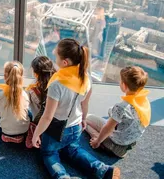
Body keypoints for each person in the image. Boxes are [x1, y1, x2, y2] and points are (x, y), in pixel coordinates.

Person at [32, 39, 120, 179]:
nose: (55, 58)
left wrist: (36, 134)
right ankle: (103, 170)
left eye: (56, 57)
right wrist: (83, 119)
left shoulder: (57, 84)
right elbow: (84, 104)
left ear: (65, 62)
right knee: (73, 150)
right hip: (76, 127)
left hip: (57, 130)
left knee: (48, 154)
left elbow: (48, 116)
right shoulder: (86, 78)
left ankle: (62, 177)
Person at [86, 66, 151, 158]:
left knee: (85, 123)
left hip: (116, 146)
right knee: (95, 120)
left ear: (124, 86)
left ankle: (101, 144)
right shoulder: (143, 100)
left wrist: (97, 141)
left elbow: (108, 128)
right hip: (129, 142)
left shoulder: (121, 107)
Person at [0, 61, 30, 143]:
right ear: (21, 77)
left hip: (7, 132)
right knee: (29, 114)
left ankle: (7, 137)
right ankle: (21, 136)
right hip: (24, 130)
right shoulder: (25, 94)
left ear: (5, 77)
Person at [27, 56, 56, 124]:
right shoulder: (57, 83)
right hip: (57, 124)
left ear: (35, 72)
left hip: (40, 123)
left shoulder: (32, 89)